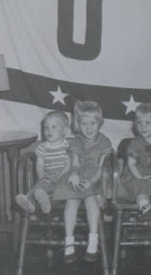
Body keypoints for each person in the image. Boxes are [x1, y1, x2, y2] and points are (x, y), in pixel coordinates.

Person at [53, 101, 113, 263]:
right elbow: (75, 163)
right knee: (71, 200)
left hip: (98, 179)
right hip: (79, 176)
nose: (88, 127)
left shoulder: (104, 141)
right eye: (84, 123)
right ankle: (69, 242)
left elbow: (102, 168)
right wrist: (74, 174)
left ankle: (93, 242)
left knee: (90, 199)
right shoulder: (76, 141)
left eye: (92, 123)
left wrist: (91, 182)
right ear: (78, 124)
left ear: (99, 123)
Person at [15, 111, 71, 214]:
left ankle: (44, 201)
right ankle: (29, 202)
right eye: (46, 127)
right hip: (48, 178)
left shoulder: (67, 147)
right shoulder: (42, 148)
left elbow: (69, 165)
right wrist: (41, 177)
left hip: (64, 179)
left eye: (54, 127)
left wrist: (60, 178)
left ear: (65, 131)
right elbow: (40, 164)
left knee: (55, 188)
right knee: (39, 186)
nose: (49, 130)